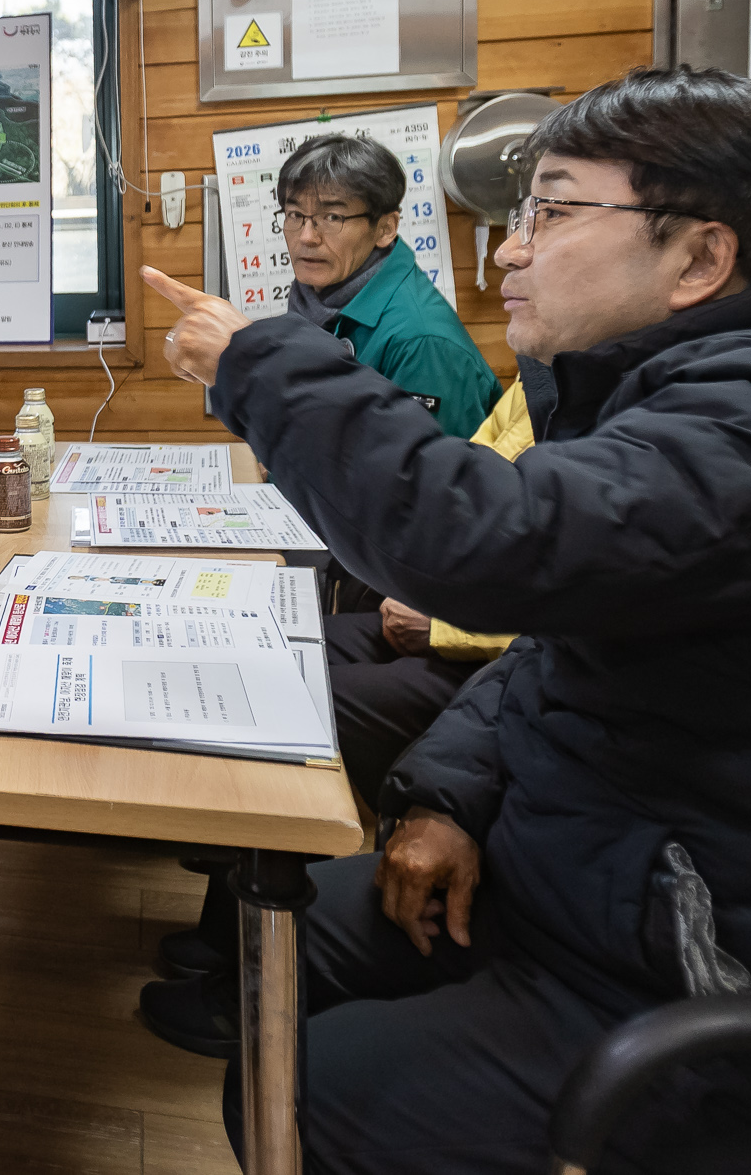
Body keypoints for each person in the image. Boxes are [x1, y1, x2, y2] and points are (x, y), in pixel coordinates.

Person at [144, 66, 751, 1174]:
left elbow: (482, 547)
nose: (506, 250)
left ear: (700, 257)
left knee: (318, 1086)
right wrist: (448, 795)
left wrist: (255, 361)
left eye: (551, 209)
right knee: (281, 941)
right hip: (614, 885)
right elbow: (556, 643)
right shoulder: (663, 389)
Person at [139, 376, 531, 1051]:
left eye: (540, 256)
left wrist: (443, 626)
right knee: (259, 659)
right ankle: (222, 931)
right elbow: (455, 499)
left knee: (289, 711)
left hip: (478, 649)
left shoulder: (429, 345)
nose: (512, 260)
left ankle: (241, 992)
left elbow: (556, 617)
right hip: (438, 612)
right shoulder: (547, 370)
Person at [271, 131, 499, 437]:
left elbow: (429, 477)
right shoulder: (313, 302)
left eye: (333, 217)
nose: (306, 237)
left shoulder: (422, 342)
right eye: (295, 214)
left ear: (385, 228)